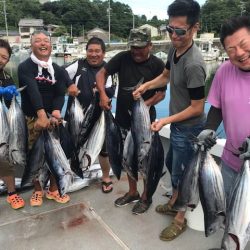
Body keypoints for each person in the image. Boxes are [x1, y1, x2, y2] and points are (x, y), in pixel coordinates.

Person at [133, 0, 206, 240]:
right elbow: (165, 76)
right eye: (169, 29)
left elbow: (197, 108)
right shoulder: (175, 50)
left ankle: (180, 218)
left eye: (180, 31)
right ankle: (175, 201)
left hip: (189, 128)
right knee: (171, 164)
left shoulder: (194, 63)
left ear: (195, 28)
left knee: (183, 175)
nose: (173, 35)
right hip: (177, 126)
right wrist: (146, 85)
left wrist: (165, 120)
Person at [96, 27, 166, 214]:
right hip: (122, 121)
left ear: (150, 45)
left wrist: (145, 104)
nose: (135, 51)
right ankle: (133, 192)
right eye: (133, 47)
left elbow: (162, 93)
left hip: (145, 122)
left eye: (140, 47)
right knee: (128, 158)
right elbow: (101, 74)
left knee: (144, 159)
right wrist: (103, 94)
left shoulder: (158, 64)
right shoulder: (122, 57)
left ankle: (146, 196)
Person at [197, 15, 250, 250]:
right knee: (229, 216)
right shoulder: (224, 71)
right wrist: (209, 128)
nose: (239, 53)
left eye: (245, 45)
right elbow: (216, 108)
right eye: (231, 49)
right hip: (230, 164)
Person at [18, 30, 73, 206]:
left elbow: (60, 93)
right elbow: (32, 91)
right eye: (37, 41)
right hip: (33, 118)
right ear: (31, 45)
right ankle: (37, 190)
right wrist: (41, 115)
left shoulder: (57, 69)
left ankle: (54, 189)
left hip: (53, 119)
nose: (42, 44)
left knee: (55, 156)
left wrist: (56, 111)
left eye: (46, 41)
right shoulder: (25, 67)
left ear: (50, 45)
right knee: (34, 154)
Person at [65, 37, 115, 193]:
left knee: (103, 150)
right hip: (76, 116)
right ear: (86, 52)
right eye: (90, 51)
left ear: (103, 53)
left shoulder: (109, 69)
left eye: (97, 51)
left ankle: (106, 177)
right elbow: (61, 74)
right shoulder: (78, 65)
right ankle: (69, 175)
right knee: (70, 146)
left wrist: (100, 92)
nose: (94, 54)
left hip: (99, 117)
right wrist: (69, 84)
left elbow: (111, 90)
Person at [0, 39, 25, 210]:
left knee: (4, 158)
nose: (1, 59)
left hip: (2, 124)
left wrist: (10, 97)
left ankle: (11, 193)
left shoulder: (7, 77)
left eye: (4, 57)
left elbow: (10, 105)